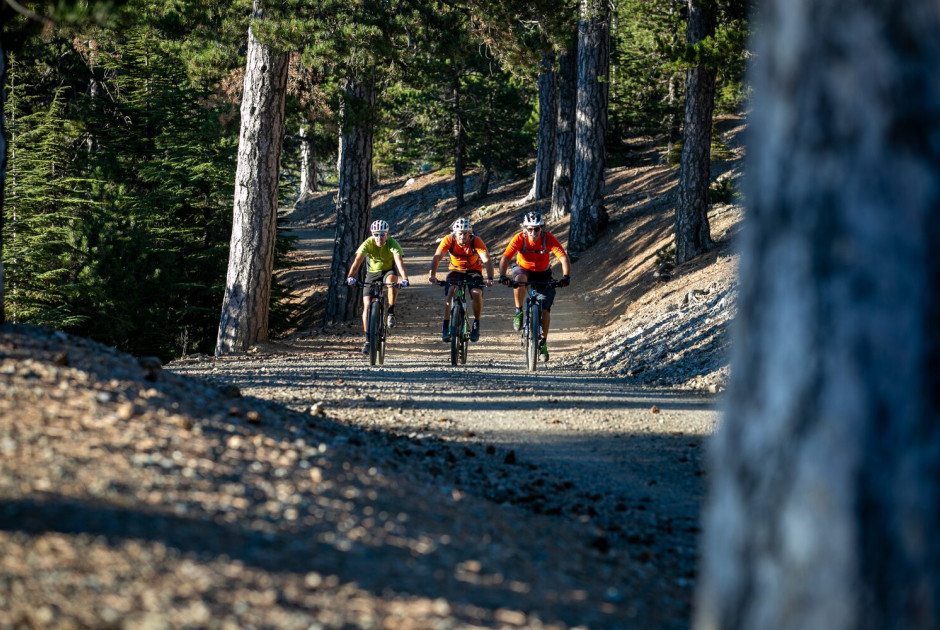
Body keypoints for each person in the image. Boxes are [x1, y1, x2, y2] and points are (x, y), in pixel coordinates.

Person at [497, 211, 570, 360]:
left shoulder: (548, 239)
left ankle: (543, 342)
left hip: (543, 272)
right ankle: (519, 311)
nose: (533, 232)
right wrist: (503, 275)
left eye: (536, 229)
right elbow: (505, 257)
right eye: (529, 229)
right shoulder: (519, 238)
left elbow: (562, 257)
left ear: (541, 228)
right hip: (523, 269)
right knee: (520, 280)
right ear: (524, 228)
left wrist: (566, 276)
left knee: (545, 309)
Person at [346, 219, 410, 354]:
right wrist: (350, 277)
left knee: (392, 281)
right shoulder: (368, 243)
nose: (379, 237)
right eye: (376, 234)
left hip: (388, 271)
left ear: (387, 234)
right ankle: (368, 340)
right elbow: (357, 261)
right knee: (367, 306)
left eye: (382, 234)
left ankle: (391, 312)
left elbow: (399, 262)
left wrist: (405, 278)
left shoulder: (392, 243)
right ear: (372, 234)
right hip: (372, 274)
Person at [428, 218, 495, 343]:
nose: (463, 236)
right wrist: (432, 274)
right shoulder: (449, 239)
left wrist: (490, 278)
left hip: (473, 271)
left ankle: (476, 323)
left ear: (469, 233)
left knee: (476, 293)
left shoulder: (476, 241)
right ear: (455, 233)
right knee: (451, 292)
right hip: (455, 270)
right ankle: (446, 326)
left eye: (466, 233)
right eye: (460, 233)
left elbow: (487, 260)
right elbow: (437, 257)